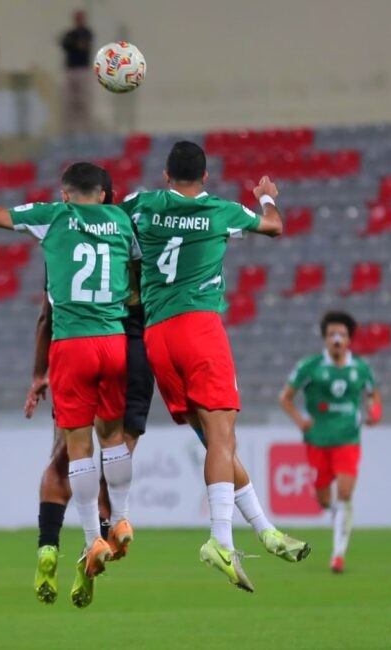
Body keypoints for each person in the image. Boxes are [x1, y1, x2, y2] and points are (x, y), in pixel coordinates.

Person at [0, 163, 140, 587]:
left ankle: (92, 539)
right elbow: (137, 275)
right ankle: (119, 519)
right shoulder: (122, 221)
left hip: (73, 344)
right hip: (114, 341)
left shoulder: (53, 215)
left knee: (77, 448)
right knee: (113, 437)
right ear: (103, 194)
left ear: (65, 194)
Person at [118, 140, 310, 593]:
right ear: (205, 177)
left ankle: (266, 531)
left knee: (215, 441)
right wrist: (267, 197)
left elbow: (109, 222)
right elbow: (274, 226)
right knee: (223, 437)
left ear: (166, 175)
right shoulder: (220, 211)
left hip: (157, 335)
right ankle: (220, 541)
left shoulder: (140, 204)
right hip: (199, 328)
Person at [25, 171, 154, 608]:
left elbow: (47, 316)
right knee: (113, 457)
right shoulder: (137, 234)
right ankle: (96, 548)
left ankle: (49, 546)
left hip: (80, 345)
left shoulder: (65, 240)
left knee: (65, 456)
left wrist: (38, 374)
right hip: (134, 352)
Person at [279, 311, 381, 573]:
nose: (337, 339)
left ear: (349, 339)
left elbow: (373, 394)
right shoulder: (310, 367)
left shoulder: (361, 368)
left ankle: (338, 555)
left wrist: (375, 412)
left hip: (348, 439)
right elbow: (285, 397)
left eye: (342, 334)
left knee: (345, 492)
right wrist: (300, 420)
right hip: (317, 440)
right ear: (325, 338)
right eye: (332, 334)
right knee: (324, 500)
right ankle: (338, 516)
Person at [59, 10, 94, 133]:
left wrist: (74, 44)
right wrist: (74, 44)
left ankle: (87, 127)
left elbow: (83, 45)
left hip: (82, 70)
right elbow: (65, 44)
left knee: (83, 99)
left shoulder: (87, 33)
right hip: (71, 69)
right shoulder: (70, 34)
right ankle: (70, 128)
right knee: (70, 100)